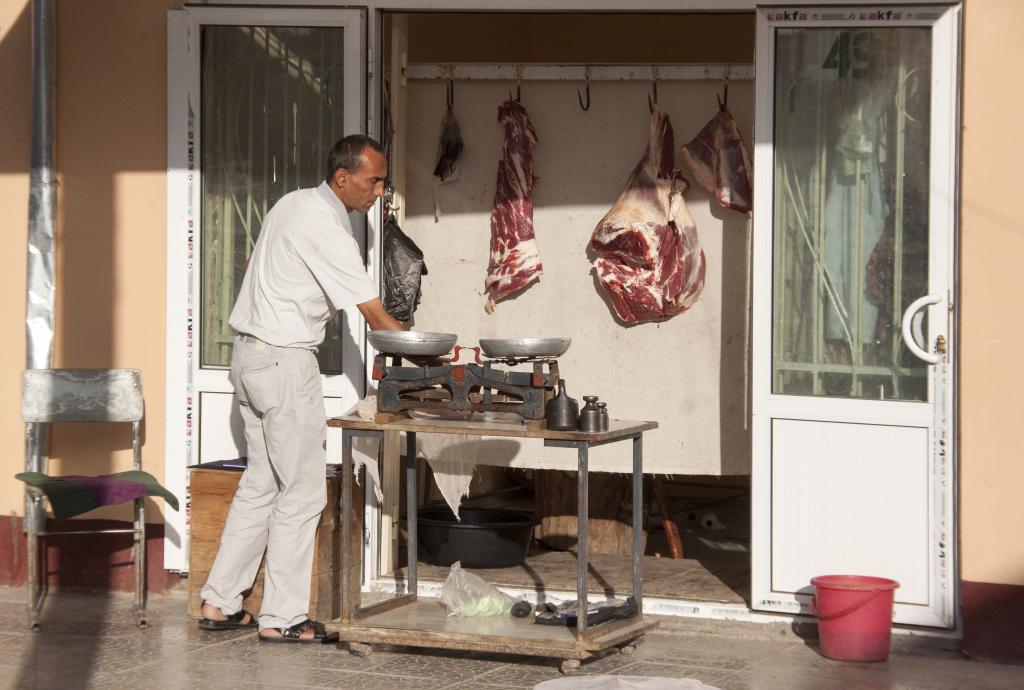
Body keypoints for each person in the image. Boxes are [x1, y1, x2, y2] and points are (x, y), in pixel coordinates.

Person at [198, 135, 406, 643]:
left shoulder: (292, 203)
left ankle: (221, 602)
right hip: (285, 363)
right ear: (342, 178)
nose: (379, 191)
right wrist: (429, 353)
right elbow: (372, 311)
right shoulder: (325, 225)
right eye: (373, 180)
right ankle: (282, 617)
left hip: (248, 358)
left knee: (261, 484)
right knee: (303, 491)